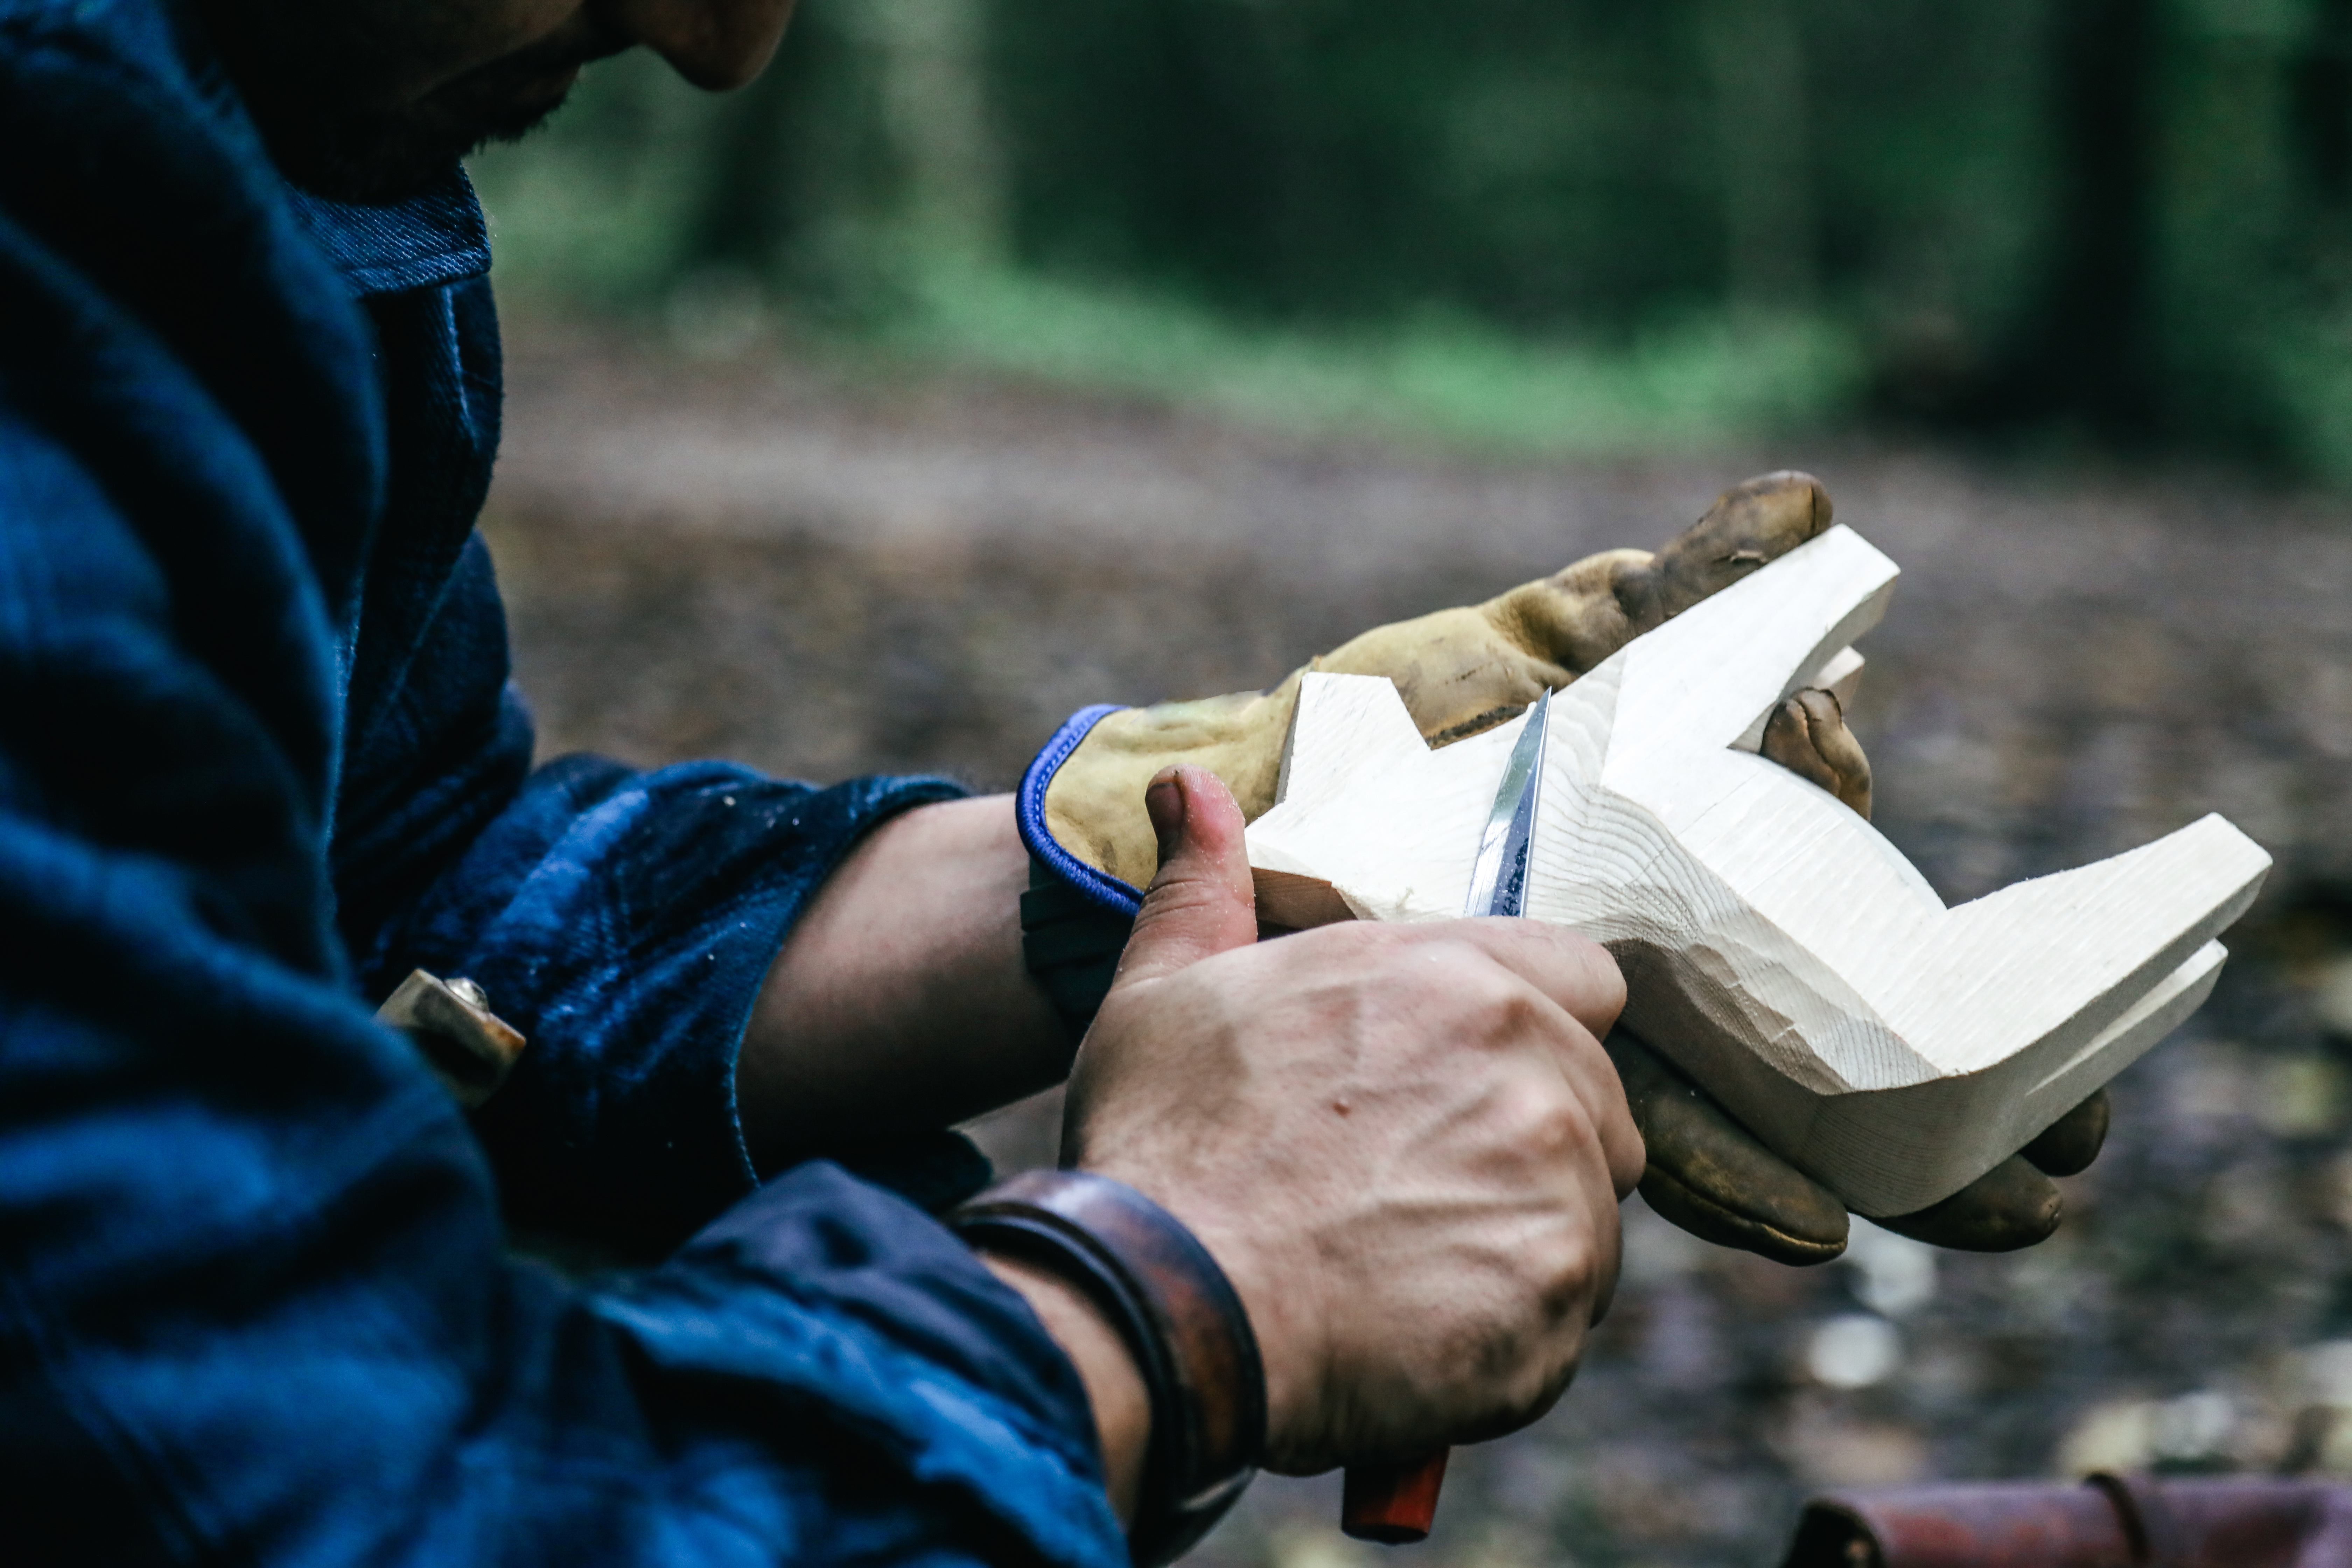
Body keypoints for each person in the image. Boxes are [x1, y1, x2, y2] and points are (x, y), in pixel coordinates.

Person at [0, 0, 2105, 1559]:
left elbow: (397, 908)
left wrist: (1214, 839)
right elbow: (325, 1501)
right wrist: (1176, 1287)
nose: (729, 41)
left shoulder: (269, 151)